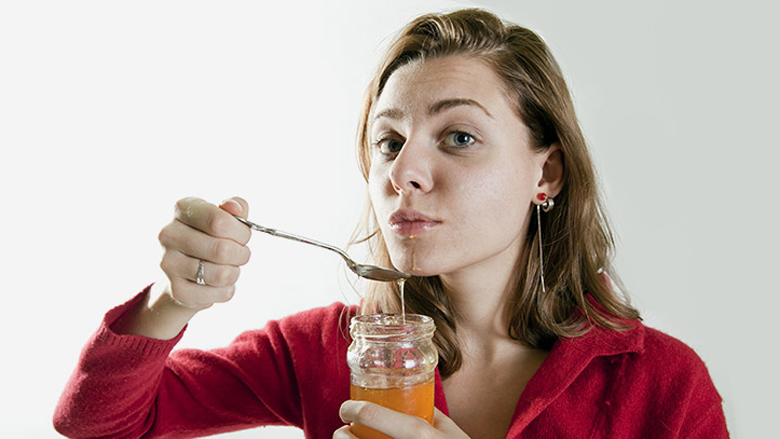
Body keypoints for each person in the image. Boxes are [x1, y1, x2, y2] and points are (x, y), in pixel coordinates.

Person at [53, 8, 728, 439]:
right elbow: (99, 423)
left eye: (459, 137)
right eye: (388, 141)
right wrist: (173, 301)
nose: (404, 170)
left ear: (546, 174)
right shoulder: (328, 348)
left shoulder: (663, 386)